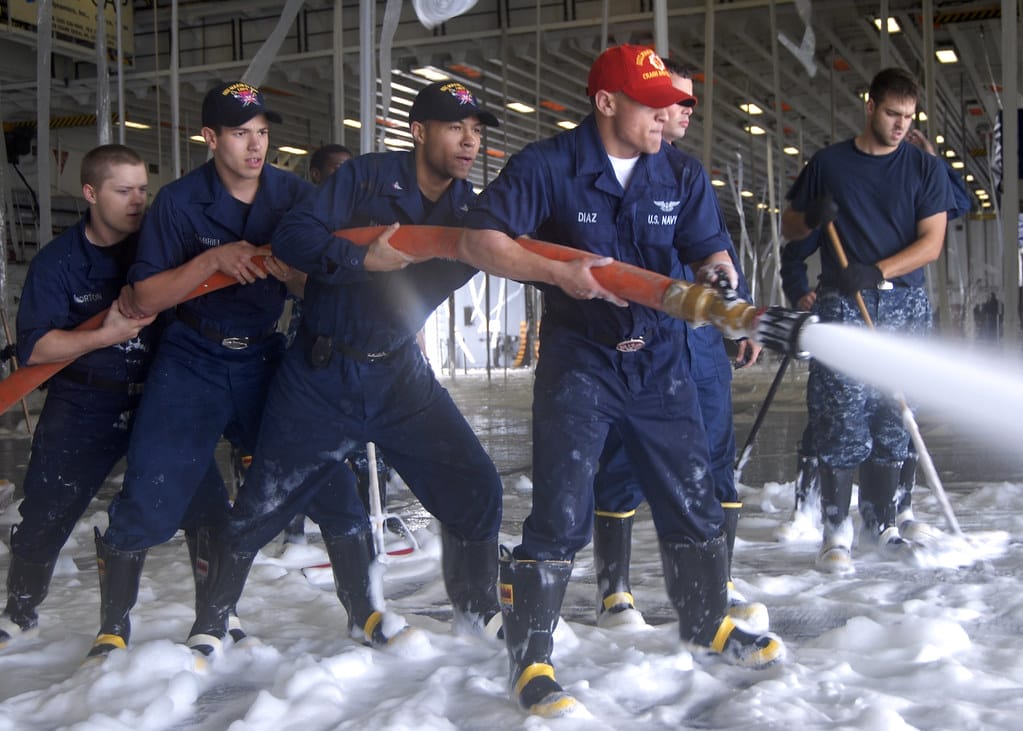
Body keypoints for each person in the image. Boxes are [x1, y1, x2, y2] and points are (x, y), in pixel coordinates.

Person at [457, 45, 785, 718]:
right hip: (582, 360)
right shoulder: (547, 166)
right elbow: (478, 241)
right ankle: (532, 659)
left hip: (659, 358)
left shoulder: (680, 173)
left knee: (692, 495)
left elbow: (708, 248)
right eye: (649, 101)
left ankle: (706, 622)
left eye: (669, 101)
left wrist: (721, 276)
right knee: (559, 512)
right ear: (606, 103)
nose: (666, 114)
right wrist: (555, 272)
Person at [186, 80, 505, 656]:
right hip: (322, 374)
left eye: (477, 131)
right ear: (419, 132)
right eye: (457, 128)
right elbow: (293, 236)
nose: (470, 142)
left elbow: (483, 259)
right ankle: (211, 622)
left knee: (476, 484)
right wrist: (363, 258)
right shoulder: (364, 177)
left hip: (400, 375)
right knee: (262, 502)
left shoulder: (467, 207)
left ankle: (477, 607)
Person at [84, 81, 309, 660]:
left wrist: (291, 271)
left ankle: (230, 616)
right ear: (210, 138)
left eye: (262, 132)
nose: (255, 146)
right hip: (193, 357)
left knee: (310, 479)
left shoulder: (294, 195)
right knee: (151, 489)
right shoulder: (179, 203)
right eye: (240, 134)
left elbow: (321, 280)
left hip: (264, 353)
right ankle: (113, 627)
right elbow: (142, 296)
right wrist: (212, 259)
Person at [590, 58, 768, 632]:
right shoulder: (614, 171)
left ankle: (718, 580)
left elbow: (713, 251)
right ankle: (614, 589)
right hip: (642, 342)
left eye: (688, 103)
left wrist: (730, 314)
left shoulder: (689, 175)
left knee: (717, 460)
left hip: (700, 344)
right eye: (670, 101)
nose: (679, 112)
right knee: (624, 462)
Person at [781, 68, 956, 573]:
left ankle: (881, 526)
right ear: (869, 105)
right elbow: (790, 227)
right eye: (891, 113)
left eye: (908, 117)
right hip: (841, 305)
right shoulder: (829, 164)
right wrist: (812, 216)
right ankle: (835, 533)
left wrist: (875, 269)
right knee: (840, 415)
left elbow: (931, 243)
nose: (900, 125)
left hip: (903, 304)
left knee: (893, 415)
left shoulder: (925, 169)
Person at [0, 145, 156, 648]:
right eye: (123, 190)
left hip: (157, 396)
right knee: (46, 508)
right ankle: (19, 611)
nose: (137, 201)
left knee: (198, 502)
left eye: (142, 190)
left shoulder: (157, 249)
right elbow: (37, 347)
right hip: (83, 402)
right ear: (90, 193)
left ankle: (204, 619)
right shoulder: (58, 263)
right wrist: (101, 337)